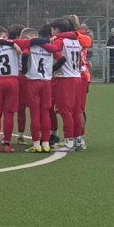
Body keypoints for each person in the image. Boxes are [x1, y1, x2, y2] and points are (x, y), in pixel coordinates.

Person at [49, 17, 92, 151]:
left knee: (65, 111)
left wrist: (42, 44)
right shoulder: (77, 40)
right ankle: (78, 139)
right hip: (77, 78)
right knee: (76, 111)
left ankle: (69, 142)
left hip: (65, 79)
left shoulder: (60, 40)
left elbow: (53, 48)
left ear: (56, 30)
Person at [15, 25, 56, 153]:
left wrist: (25, 71)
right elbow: (61, 58)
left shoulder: (28, 47)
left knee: (34, 113)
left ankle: (36, 144)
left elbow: (25, 56)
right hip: (46, 82)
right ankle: (46, 143)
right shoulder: (49, 47)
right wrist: (51, 71)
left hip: (32, 82)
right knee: (45, 113)